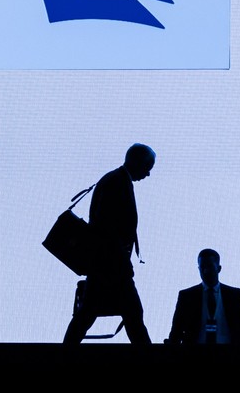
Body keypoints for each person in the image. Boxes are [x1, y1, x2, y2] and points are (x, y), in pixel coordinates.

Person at [63, 143, 155, 344]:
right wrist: (123, 261)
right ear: (137, 162)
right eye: (147, 167)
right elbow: (108, 229)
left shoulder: (114, 180)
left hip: (104, 264)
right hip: (112, 265)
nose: (148, 174)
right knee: (132, 315)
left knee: (88, 314)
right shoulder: (118, 183)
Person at [164, 248, 240, 345]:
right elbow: (176, 330)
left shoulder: (235, 296)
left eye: (209, 266)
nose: (205, 271)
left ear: (219, 269)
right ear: (198, 268)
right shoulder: (186, 297)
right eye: (202, 267)